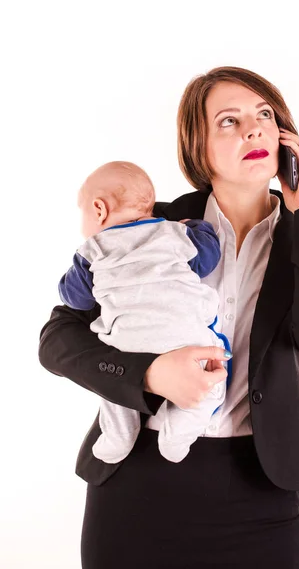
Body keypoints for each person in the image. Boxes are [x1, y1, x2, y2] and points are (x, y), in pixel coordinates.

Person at [39, 66, 299, 569]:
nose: (253, 129)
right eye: (228, 121)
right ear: (198, 147)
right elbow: (57, 339)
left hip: (262, 489)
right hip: (137, 481)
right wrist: (146, 374)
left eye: (264, 115)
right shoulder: (150, 227)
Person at [58, 160, 232, 465]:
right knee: (212, 379)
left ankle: (118, 435)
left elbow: (76, 299)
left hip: (126, 346)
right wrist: (197, 227)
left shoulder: (92, 251)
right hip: (185, 340)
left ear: (98, 209)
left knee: (114, 391)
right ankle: (178, 431)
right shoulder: (174, 233)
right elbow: (208, 257)